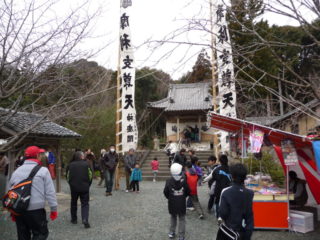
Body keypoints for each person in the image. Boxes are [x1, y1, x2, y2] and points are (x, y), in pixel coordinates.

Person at [9, 146, 58, 240]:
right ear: (38, 156)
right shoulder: (43, 171)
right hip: (36, 211)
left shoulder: (16, 171)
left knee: (23, 236)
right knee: (40, 234)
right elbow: (50, 192)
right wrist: (53, 209)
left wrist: (12, 211)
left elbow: (11, 191)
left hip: (19, 209)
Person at [217, 163, 254, 240]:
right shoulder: (250, 193)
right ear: (245, 177)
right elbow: (249, 215)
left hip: (229, 232)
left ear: (232, 176)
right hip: (244, 232)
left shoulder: (226, 192)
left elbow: (222, 213)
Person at [66, 151, 92, 228]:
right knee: (85, 204)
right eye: (83, 155)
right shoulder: (87, 164)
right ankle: (85, 219)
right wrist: (88, 184)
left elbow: (67, 177)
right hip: (84, 187)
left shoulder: (70, 165)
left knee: (73, 203)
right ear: (81, 156)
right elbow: (90, 176)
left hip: (74, 187)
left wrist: (71, 184)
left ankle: (74, 219)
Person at [164, 163, 190, 240]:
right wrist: (182, 196)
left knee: (173, 217)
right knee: (182, 219)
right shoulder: (184, 180)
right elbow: (188, 191)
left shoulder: (168, 181)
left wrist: (170, 197)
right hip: (181, 202)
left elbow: (165, 192)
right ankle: (181, 236)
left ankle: (172, 232)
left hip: (172, 202)